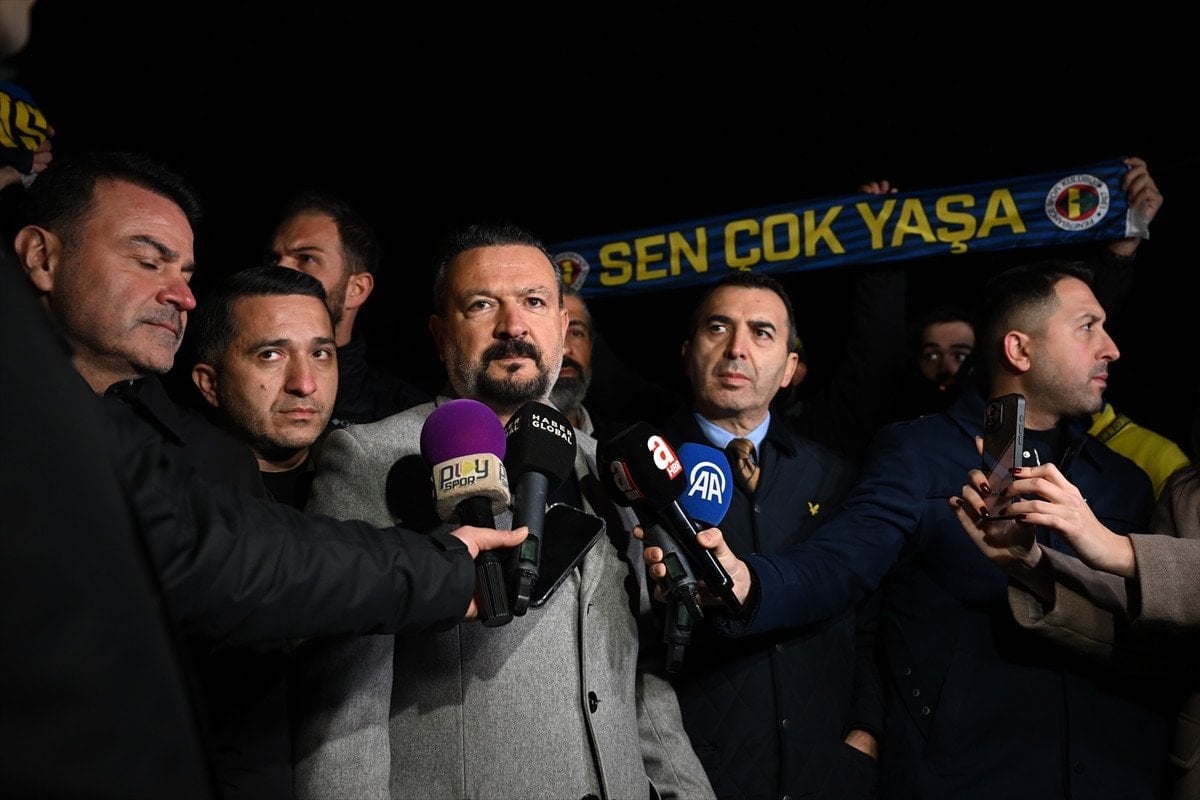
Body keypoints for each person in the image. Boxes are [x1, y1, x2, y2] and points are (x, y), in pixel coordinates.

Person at [8, 150, 526, 800]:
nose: (182, 294)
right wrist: (443, 572)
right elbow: (213, 551)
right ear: (40, 256)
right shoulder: (49, 420)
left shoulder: (106, 425)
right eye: (148, 261)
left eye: (186, 272)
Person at [643, 259, 1175, 799]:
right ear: (1019, 350)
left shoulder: (1127, 482)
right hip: (972, 780)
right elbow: (843, 564)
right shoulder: (919, 453)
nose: (1111, 348)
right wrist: (749, 584)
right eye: (1088, 327)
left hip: (1116, 775)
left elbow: (1157, 638)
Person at [290, 221, 715, 800]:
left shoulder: (611, 468)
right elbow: (341, 711)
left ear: (562, 326)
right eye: (482, 304)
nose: (513, 326)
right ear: (439, 332)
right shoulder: (371, 459)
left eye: (534, 302)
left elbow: (638, 675)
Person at [656, 271, 880, 798]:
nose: (737, 348)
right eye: (718, 328)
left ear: (789, 369)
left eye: (761, 332)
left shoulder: (833, 476)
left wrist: (866, 733)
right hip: (695, 778)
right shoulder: (642, 474)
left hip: (829, 774)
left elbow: (870, 618)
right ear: (687, 353)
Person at [950, 435, 1199, 798]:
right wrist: (1031, 565)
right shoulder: (1187, 491)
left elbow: (1129, 558)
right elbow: (1157, 646)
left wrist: (1120, 549)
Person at [266, 190, 431, 425]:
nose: (279, 270)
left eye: (307, 258)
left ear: (356, 289)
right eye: (274, 258)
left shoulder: (404, 416)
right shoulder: (229, 385)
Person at [190, 265, 339, 508]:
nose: (305, 385)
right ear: (210, 384)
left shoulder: (366, 470)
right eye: (270, 355)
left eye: (319, 353)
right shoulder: (175, 489)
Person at [549, 283, 596, 433]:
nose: (565, 349)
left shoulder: (615, 437)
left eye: (576, 333)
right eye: (553, 333)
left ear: (591, 346)